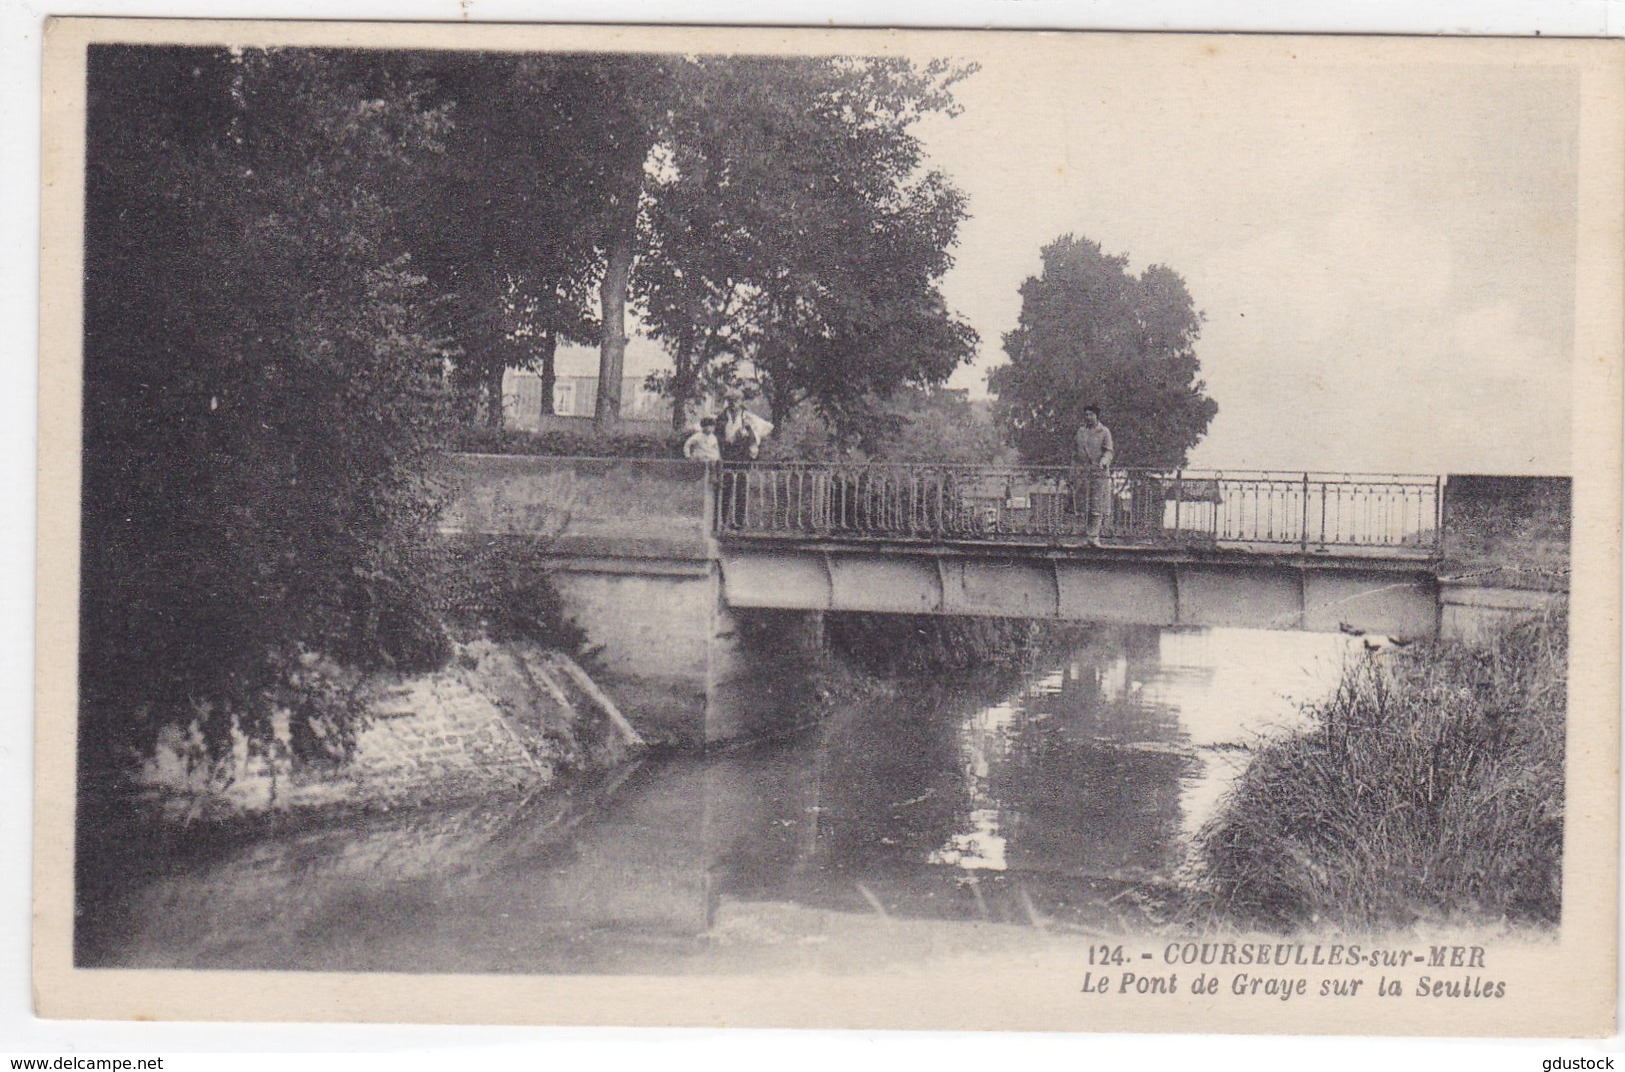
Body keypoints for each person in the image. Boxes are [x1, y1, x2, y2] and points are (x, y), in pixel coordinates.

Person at [716, 388, 774, 527]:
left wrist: (747, 436)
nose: (732, 403)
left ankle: (738, 521)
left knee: (741, 489)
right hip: (727, 455)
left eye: (735, 401)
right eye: (730, 401)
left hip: (742, 456)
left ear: (741, 402)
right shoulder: (722, 418)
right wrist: (725, 442)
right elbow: (716, 436)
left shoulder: (747, 417)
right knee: (725, 487)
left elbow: (757, 435)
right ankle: (722, 520)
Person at [1074, 405, 1115, 546]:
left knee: (1096, 506)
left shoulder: (1104, 432)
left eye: (1091, 414)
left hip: (1099, 472)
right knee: (1084, 505)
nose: (1088, 417)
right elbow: (1076, 451)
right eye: (1086, 415)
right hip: (1084, 473)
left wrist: (1104, 462)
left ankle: (1094, 536)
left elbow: (1109, 451)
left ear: (1097, 416)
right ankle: (1086, 536)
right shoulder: (1081, 432)